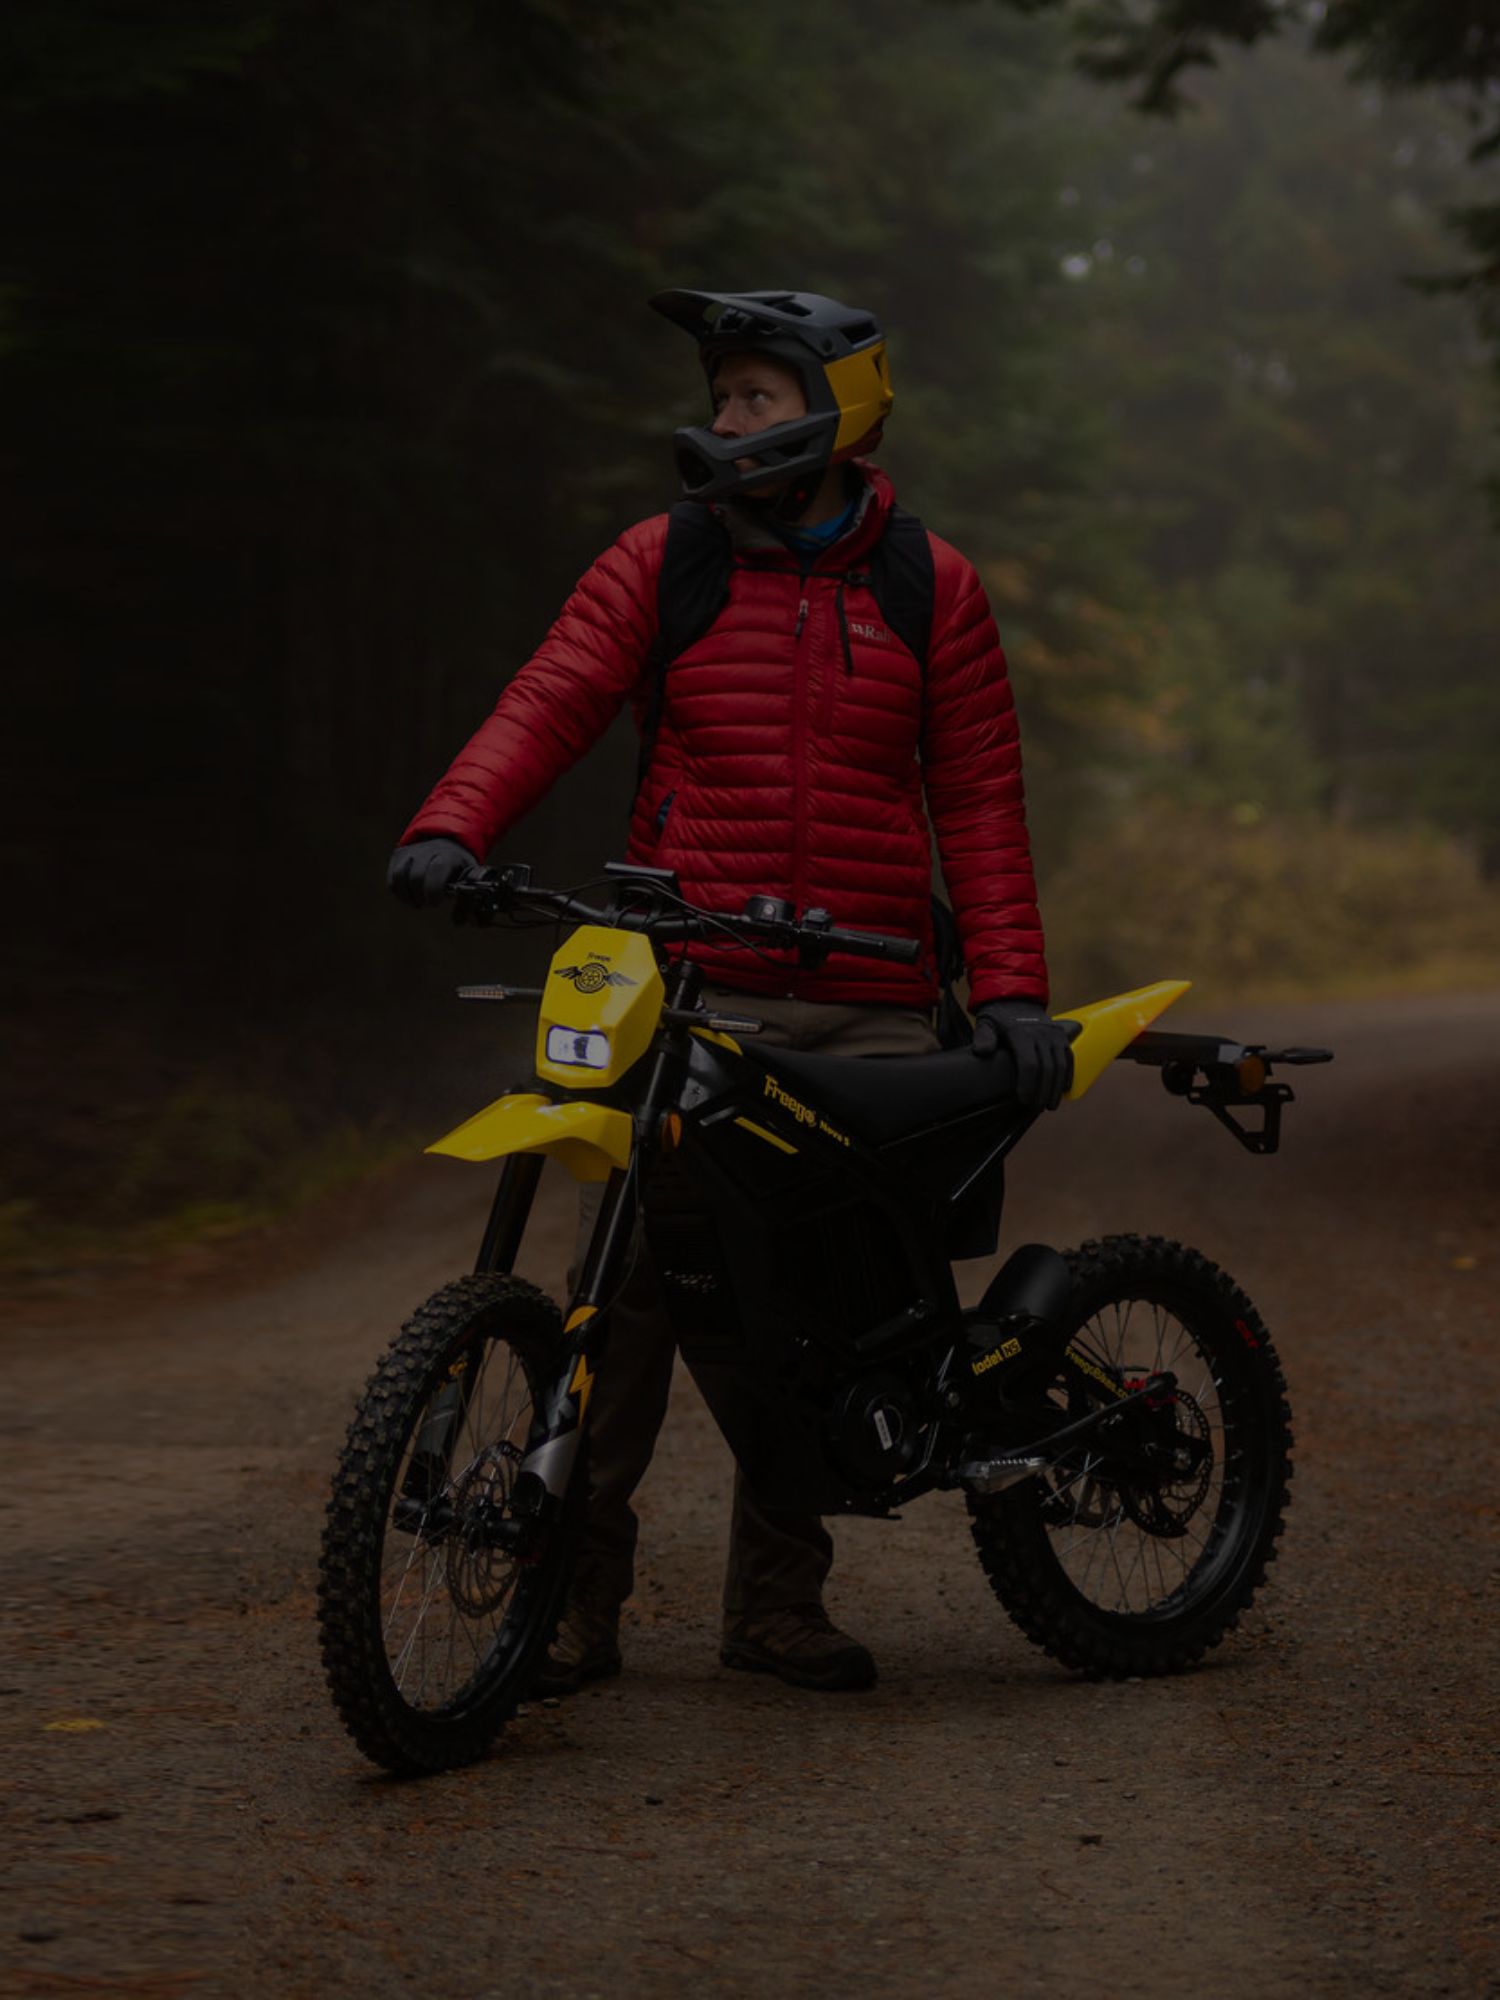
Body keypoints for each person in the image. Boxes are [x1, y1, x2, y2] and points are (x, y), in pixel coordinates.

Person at [388, 288, 1072, 1695]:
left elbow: (983, 805)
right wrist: (456, 823)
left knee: (830, 1315)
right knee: (629, 1296)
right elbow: (551, 696)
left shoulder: (928, 584)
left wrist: (1009, 991)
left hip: (876, 994)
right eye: (724, 396)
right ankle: (568, 1611)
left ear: (839, 407)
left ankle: (776, 1607)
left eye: (758, 395)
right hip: (691, 986)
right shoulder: (665, 560)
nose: (726, 421)